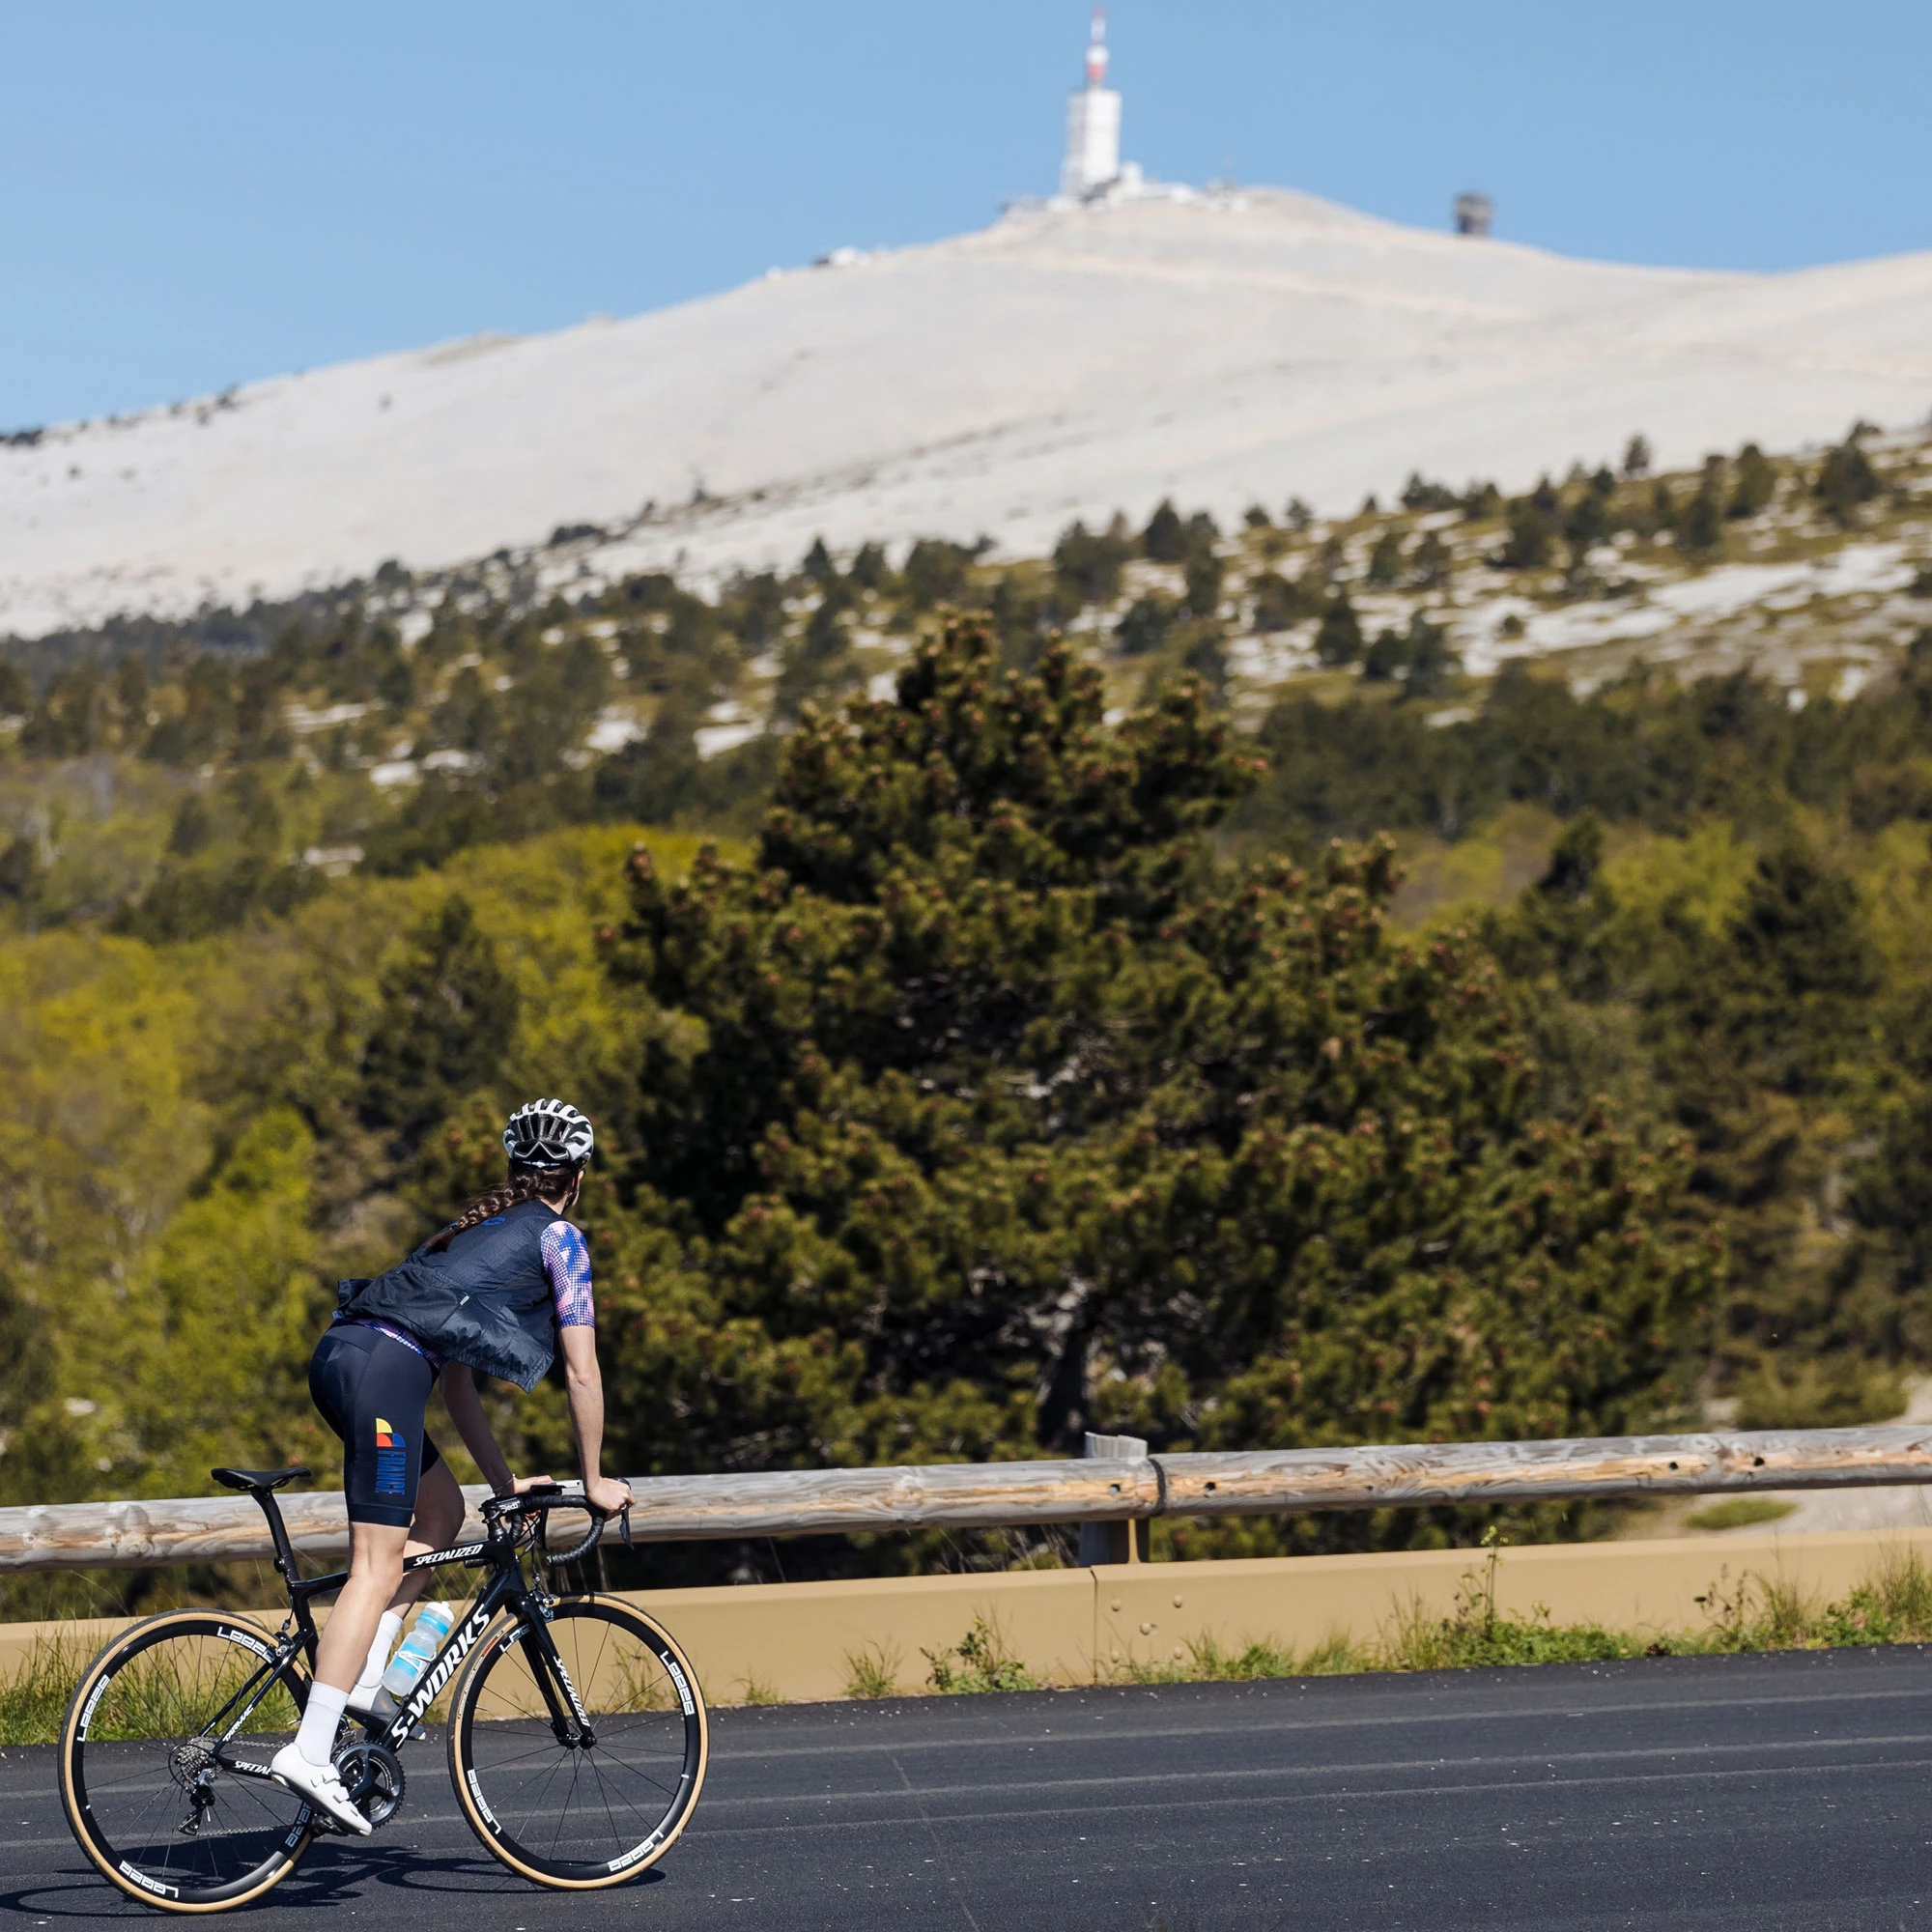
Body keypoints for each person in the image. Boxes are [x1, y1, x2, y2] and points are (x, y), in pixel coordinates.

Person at [270, 1098, 634, 1832]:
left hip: (347, 1358)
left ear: (514, 1172)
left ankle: (365, 1678)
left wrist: (503, 1484)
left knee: (442, 1515)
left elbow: (460, 1380)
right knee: (375, 1566)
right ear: (579, 1177)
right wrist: (594, 1481)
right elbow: (583, 1372)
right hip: (385, 1372)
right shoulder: (561, 1241)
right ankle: (309, 1750)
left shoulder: (477, 1228)